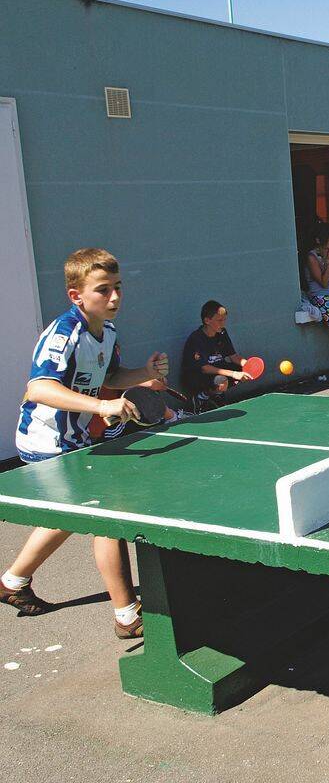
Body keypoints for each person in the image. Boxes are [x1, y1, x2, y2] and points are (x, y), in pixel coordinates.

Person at [2, 248, 170, 639]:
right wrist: (100, 404)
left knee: (66, 517)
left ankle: (13, 581)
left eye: (117, 288)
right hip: (46, 439)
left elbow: (110, 375)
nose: (114, 298)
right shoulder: (64, 333)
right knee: (105, 516)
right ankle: (127, 614)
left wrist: (143, 374)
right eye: (103, 290)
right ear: (76, 295)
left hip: (75, 437)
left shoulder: (107, 332)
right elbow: (39, 387)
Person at [181, 300, 251, 411]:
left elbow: (234, 357)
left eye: (224, 320)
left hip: (216, 370)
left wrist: (249, 365)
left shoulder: (222, 333)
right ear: (207, 321)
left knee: (240, 369)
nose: (223, 323)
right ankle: (201, 397)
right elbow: (204, 368)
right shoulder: (196, 339)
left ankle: (216, 395)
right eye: (219, 320)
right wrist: (233, 374)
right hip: (196, 376)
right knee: (222, 381)